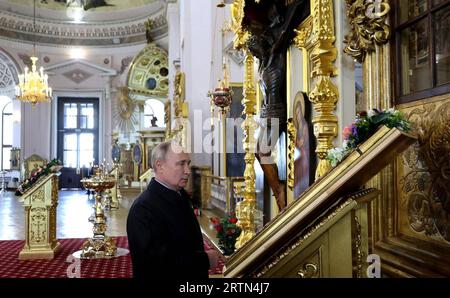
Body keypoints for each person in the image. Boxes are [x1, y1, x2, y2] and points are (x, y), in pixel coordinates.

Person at [242, 0, 310, 211]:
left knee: (261, 151)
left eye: (257, 48)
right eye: (254, 51)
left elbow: (286, 27)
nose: (256, 52)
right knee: (259, 151)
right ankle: (277, 188)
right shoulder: (263, 63)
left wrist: (295, 7)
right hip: (266, 111)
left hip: (276, 110)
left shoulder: (274, 55)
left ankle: (279, 190)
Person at [127, 141, 214, 279]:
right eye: (181, 164)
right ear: (160, 166)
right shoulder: (143, 209)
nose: (187, 171)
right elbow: (154, 264)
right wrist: (204, 260)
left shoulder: (180, 195)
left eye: (188, 163)